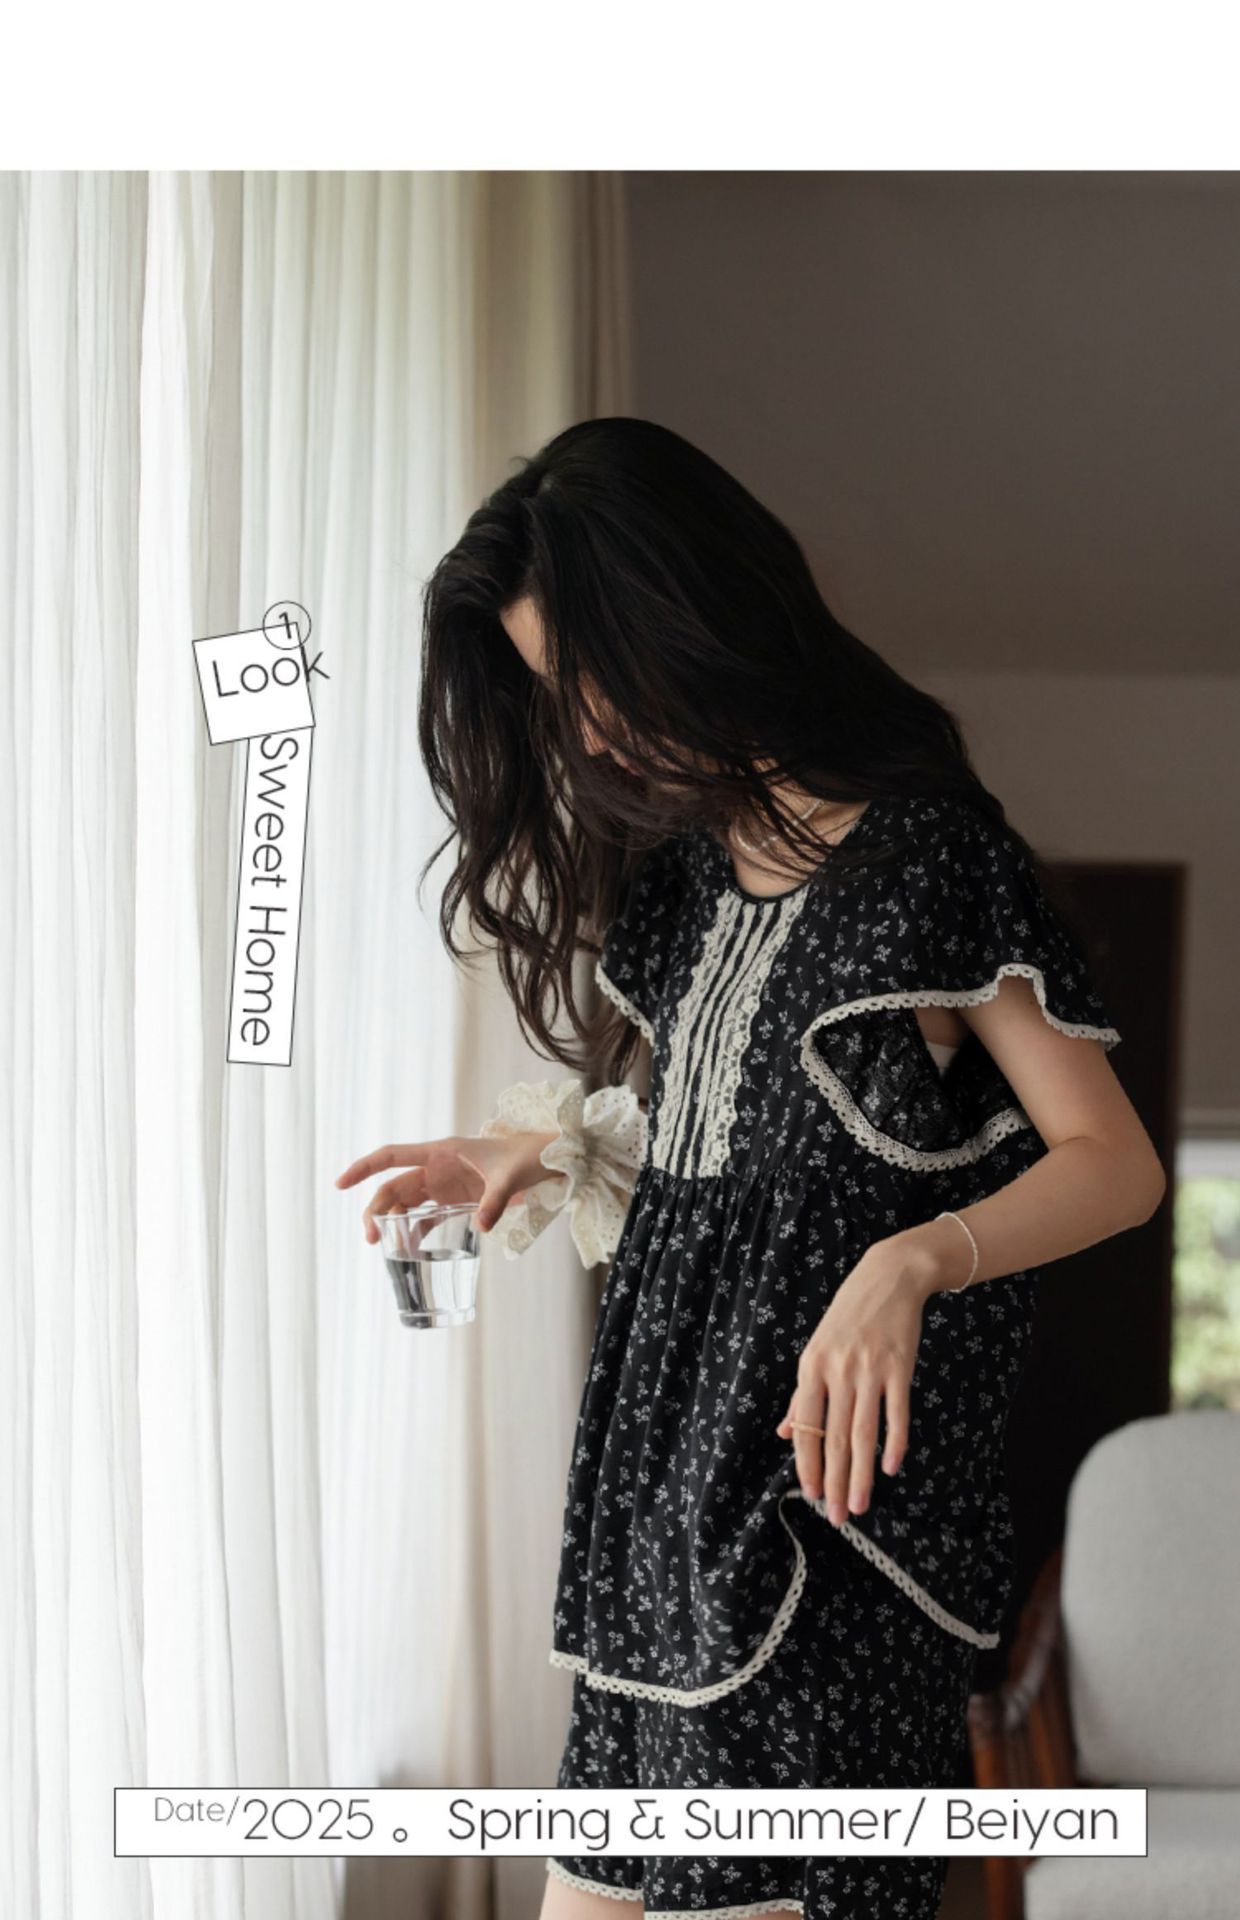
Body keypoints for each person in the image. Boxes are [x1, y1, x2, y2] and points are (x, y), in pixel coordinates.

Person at [335, 417, 1166, 1920]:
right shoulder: (684, 884)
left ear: (686, 613)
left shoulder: (932, 861)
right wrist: (534, 1148)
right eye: (551, 696)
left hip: (819, 1535)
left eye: (586, 680)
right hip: (654, 1529)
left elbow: (1114, 1163)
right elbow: (732, 1155)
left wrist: (914, 1258)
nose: (583, 733)